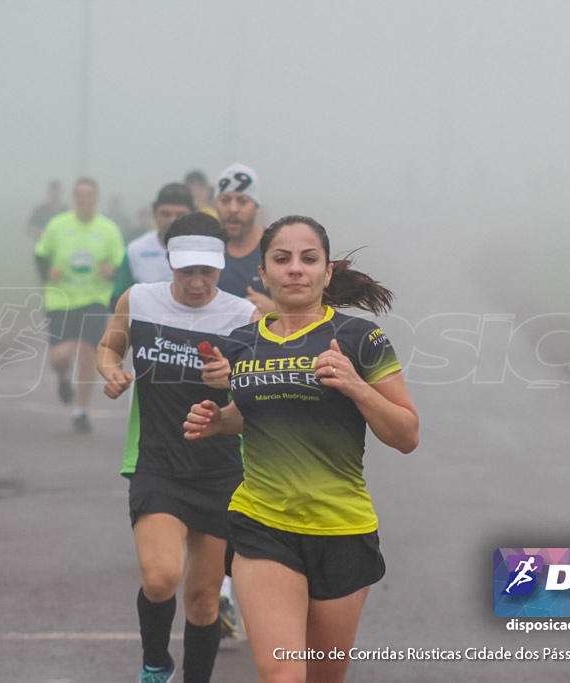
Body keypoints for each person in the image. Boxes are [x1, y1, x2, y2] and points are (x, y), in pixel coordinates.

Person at [183, 215, 419, 683]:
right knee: (282, 676)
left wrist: (356, 387)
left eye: (308, 259)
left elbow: (406, 435)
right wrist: (217, 421)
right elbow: (252, 417)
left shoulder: (360, 339)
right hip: (262, 524)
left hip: (343, 530)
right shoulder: (243, 345)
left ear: (326, 273)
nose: (295, 269)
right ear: (263, 272)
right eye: (282, 259)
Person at [97, 212, 258, 683]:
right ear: (168, 260)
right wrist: (111, 370)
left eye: (207, 270)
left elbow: (262, 394)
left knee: (205, 599)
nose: (197, 281)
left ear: (221, 264)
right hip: (158, 465)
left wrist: (234, 378)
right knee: (161, 577)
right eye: (187, 269)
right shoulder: (139, 301)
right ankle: (154, 665)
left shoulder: (243, 317)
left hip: (221, 471)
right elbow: (109, 348)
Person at [34, 177, 125, 433]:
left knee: (88, 355)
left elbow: (121, 263)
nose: (85, 199)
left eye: (89, 194)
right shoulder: (58, 225)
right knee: (59, 356)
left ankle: (81, 411)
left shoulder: (108, 229)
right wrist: (46, 274)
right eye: (80, 194)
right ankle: (62, 377)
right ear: (74, 198)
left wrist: (112, 270)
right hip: (60, 299)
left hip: (94, 299)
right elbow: (40, 253)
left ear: (96, 198)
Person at [111, 183, 195, 308]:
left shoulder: (205, 250)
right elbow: (118, 301)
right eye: (166, 214)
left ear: (193, 215)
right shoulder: (136, 250)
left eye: (180, 215)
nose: (172, 220)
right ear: (155, 214)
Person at [213, 163, 273, 315]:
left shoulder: (276, 248)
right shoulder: (208, 248)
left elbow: (319, 309)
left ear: (257, 207)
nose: (233, 209)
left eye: (242, 201)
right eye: (225, 200)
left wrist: (277, 311)